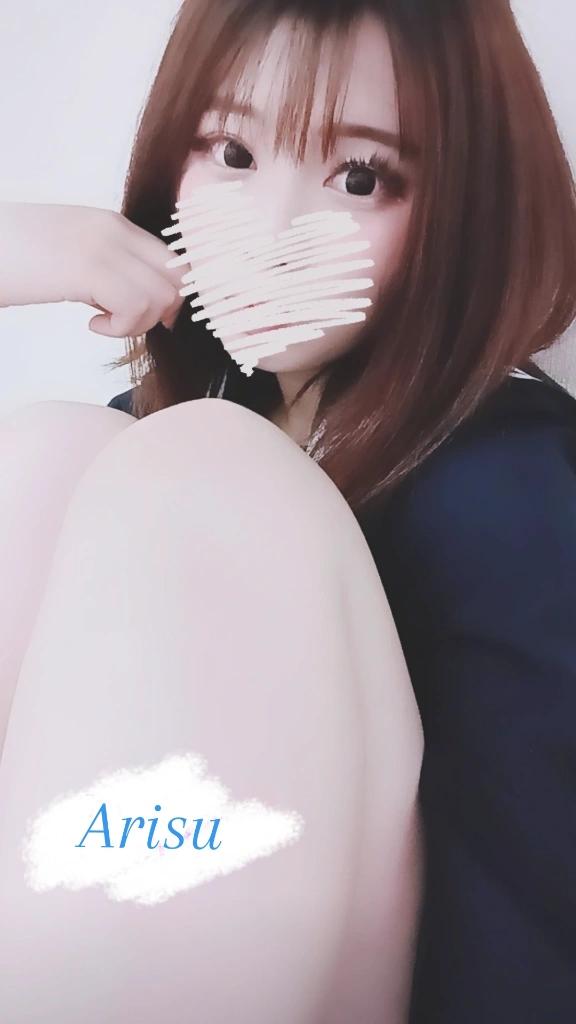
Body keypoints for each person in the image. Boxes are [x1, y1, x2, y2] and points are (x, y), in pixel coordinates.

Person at [0, 0, 575, 1021]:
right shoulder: (136, 453)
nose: (271, 234)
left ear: (464, 206)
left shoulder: (510, 486)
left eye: (360, 178)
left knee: (190, 467)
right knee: (54, 455)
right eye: (231, 153)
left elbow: (530, 909)